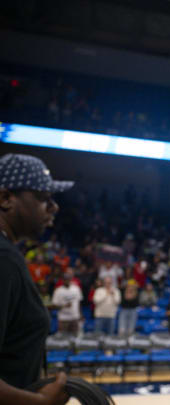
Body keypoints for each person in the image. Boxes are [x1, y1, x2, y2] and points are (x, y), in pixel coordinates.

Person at [0, 153, 71, 404]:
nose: (54, 207)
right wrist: (40, 402)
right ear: (6, 198)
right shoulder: (3, 258)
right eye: (44, 198)